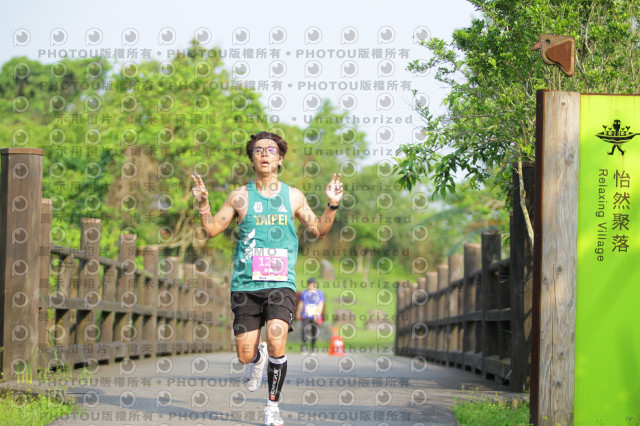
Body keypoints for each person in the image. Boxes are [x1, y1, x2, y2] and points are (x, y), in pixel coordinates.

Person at [190, 131, 343, 426]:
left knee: (275, 337)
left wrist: (332, 205)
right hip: (245, 285)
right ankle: (257, 360)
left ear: (280, 159)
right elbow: (211, 229)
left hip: (280, 283)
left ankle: (272, 406)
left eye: (271, 150)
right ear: (251, 159)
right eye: (258, 150)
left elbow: (319, 230)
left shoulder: (293, 196)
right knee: (245, 355)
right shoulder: (239, 196)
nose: (264, 154)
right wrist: (203, 204)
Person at [295, 277, 325, 356]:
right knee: (304, 330)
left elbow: (321, 304)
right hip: (306, 315)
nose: (311, 285)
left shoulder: (319, 293)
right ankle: (304, 347)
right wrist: (298, 312)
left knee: (314, 332)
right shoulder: (304, 293)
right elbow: (301, 303)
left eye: (313, 283)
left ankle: (312, 349)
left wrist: (318, 314)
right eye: (310, 283)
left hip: (315, 315)